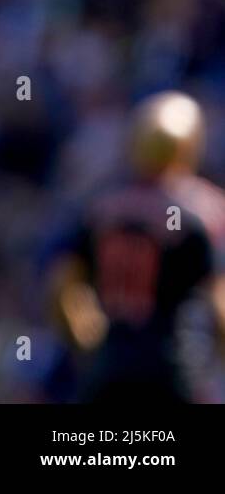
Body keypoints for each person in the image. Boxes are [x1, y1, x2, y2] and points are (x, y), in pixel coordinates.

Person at [49, 91, 225, 402]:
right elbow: (219, 299)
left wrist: (85, 337)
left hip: (110, 364)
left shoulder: (102, 207)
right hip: (173, 365)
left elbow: (61, 285)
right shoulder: (199, 212)